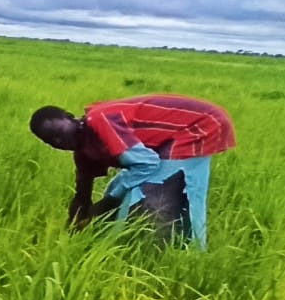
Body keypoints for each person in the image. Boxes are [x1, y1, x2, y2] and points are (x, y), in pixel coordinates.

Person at [30, 95, 235, 248]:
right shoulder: (83, 150)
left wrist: (108, 202)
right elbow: (82, 196)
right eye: (51, 142)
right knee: (127, 188)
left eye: (59, 133)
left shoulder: (100, 121)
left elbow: (147, 164)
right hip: (173, 136)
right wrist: (73, 228)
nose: (59, 142)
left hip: (200, 124)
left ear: (70, 118)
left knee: (164, 190)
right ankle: (125, 242)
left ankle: (192, 252)